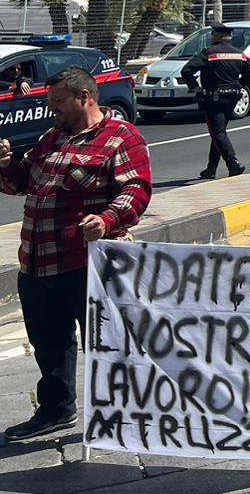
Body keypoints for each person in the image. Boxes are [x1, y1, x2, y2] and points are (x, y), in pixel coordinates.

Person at [0, 67, 151, 442]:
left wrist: (106, 219)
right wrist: (5, 164)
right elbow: (21, 183)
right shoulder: (53, 137)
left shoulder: (122, 138)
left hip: (85, 264)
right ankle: (56, 409)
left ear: (85, 97)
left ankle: (124, 413)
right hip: (36, 260)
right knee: (49, 344)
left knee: (107, 342)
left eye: (58, 103)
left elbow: (136, 189)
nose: (52, 111)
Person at [180, 21, 250, 179]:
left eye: (213, 34)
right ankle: (211, 168)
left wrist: (195, 87)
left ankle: (233, 162)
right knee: (219, 132)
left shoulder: (209, 52)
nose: (211, 37)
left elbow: (186, 70)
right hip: (233, 97)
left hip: (214, 98)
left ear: (218, 36)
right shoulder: (238, 53)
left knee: (218, 132)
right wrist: (240, 84)